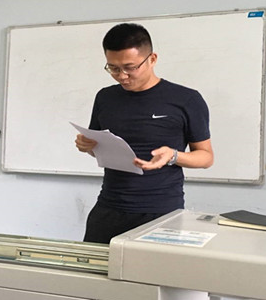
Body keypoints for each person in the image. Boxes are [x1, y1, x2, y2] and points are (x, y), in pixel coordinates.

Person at [75, 23, 214, 244]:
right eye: (113, 68)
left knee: (151, 268)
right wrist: (88, 146)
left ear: (152, 59)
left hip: (161, 212)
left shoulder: (186, 100)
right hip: (109, 208)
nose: (122, 76)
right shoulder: (105, 98)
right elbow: (100, 150)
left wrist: (173, 156)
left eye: (130, 67)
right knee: (93, 265)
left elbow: (206, 157)